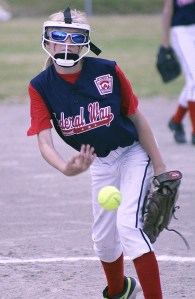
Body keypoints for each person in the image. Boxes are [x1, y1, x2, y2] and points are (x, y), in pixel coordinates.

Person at [27, 7, 166, 299]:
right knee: (103, 241)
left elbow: (137, 119)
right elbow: (44, 142)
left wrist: (161, 167)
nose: (65, 44)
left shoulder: (107, 70)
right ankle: (119, 291)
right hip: (100, 163)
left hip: (132, 155)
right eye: (58, 36)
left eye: (74, 37)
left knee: (129, 229)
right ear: (47, 41)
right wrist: (66, 168)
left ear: (85, 42)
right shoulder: (40, 86)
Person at [161, 0, 195, 145]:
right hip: (181, 31)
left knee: (191, 81)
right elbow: (168, 9)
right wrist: (165, 44)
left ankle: (176, 120)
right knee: (194, 79)